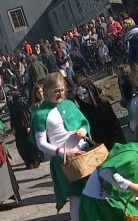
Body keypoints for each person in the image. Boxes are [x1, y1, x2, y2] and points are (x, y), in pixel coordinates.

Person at [79, 117, 138, 220]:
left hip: (107, 198)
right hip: (99, 201)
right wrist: (130, 186)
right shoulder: (131, 156)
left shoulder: (137, 154)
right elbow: (104, 171)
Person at [31, 73, 90, 221]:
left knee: (94, 192)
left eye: (62, 90)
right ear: (46, 92)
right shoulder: (40, 114)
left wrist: (84, 131)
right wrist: (64, 152)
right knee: (76, 197)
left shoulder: (69, 104)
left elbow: (83, 123)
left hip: (84, 154)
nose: (60, 94)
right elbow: (41, 143)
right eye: (56, 91)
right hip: (64, 161)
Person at [72, 74, 125, 149]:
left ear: (91, 91)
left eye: (84, 93)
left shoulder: (103, 103)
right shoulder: (83, 109)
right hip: (97, 143)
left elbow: (114, 124)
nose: (82, 98)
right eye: (79, 96)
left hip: (112, 139)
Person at [7, 91, 41, 169]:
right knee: (21, 146)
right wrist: (13, 128)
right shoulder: (11, 105)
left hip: (23, 127)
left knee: (29, 145)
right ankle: (28, 162)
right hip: (17, 128)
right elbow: (12, 118)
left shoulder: (20, 103)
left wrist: (27, 126)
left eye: (10, 96)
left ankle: (34, 161)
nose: (8, 98)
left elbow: (25, 115)